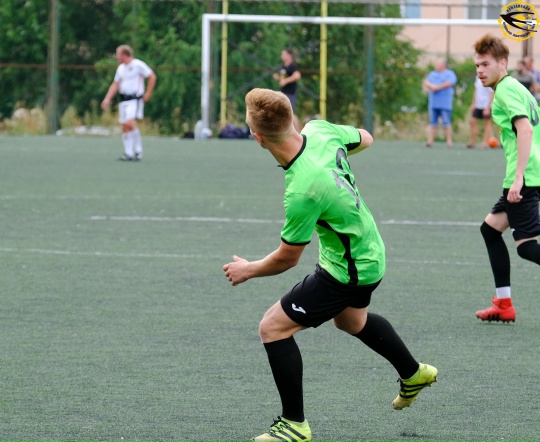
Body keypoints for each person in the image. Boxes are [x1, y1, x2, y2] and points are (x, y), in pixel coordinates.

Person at [223, 88, 437, 442]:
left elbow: (288, 258)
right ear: (292, 119)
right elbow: (365, 137)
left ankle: (294, 424)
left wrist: (249, 269)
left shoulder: (303, 189)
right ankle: (413, 373)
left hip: (348, 270)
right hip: (369, 250)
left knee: (273, 328)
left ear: (257, 138)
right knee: (351, 321)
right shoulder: (320, 130)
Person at [473, 34, 540, 323]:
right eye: (477, 65)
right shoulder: (517, 87)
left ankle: (504, 304)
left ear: (503, 63)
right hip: (531, 172)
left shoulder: (505, 90)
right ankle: (503, 304)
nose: (480, 70)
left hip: (525, 176)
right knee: (490, 230)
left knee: (526, 247)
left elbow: (525, 130)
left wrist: (518, 178)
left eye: (486, 64)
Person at [101, 45, 157, 161]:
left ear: (124, 54)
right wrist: (107, 98)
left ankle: (138, 151)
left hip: (134, 99)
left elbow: (152, 77)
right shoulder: (121, 68)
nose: (116, 57)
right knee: (125, 126)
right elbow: (115, 84)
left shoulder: (137, 64)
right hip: (124, 100)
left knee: (130, 122)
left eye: (118, 54)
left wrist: (148, 93)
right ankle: (128, 153)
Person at [423, 59, 457, 147]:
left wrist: (437, 87)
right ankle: (430, 141)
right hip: (433, 103)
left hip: (445, 104)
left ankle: (449, 141)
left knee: (446, 123)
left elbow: (449, 83)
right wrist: (432, 86)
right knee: (432, 123)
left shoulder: (450, 74)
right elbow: (426, 82)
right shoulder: (432, 74)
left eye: (437, 64)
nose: (436, 65)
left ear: (443, 65)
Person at [273, 49, 301, 131]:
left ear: (289, 56)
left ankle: (299, 132)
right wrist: (279, 78)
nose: (282, 56)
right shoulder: (284, 67)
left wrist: (286, 81)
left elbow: (297, 75)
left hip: (290, 93)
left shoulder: (292, 66)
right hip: (283, 92)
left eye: (284, 54)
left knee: (291, 113)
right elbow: (283, 80)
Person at [466, 76, 494, 149]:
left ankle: (485, 142)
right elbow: (476, 91)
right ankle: (472, 141)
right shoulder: (477, 78)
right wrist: (473, 103)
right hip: (478, 105)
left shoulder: (489, 78)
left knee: (487, 123)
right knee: (472, 121)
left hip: (486, 105)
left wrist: (488, 107)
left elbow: (492, 93)